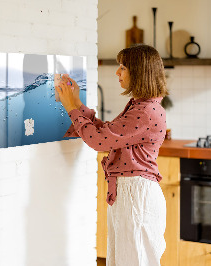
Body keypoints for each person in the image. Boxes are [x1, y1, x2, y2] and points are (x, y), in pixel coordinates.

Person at [56, 44, 168, 266]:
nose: (117, 72)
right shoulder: (141, 106)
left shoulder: (145, 111)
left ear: (139, 72)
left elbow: (99, 141)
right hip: (131, 193)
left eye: (123, 67)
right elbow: (107, 133)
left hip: (136, 195)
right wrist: (77, 103)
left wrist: (71, 107)